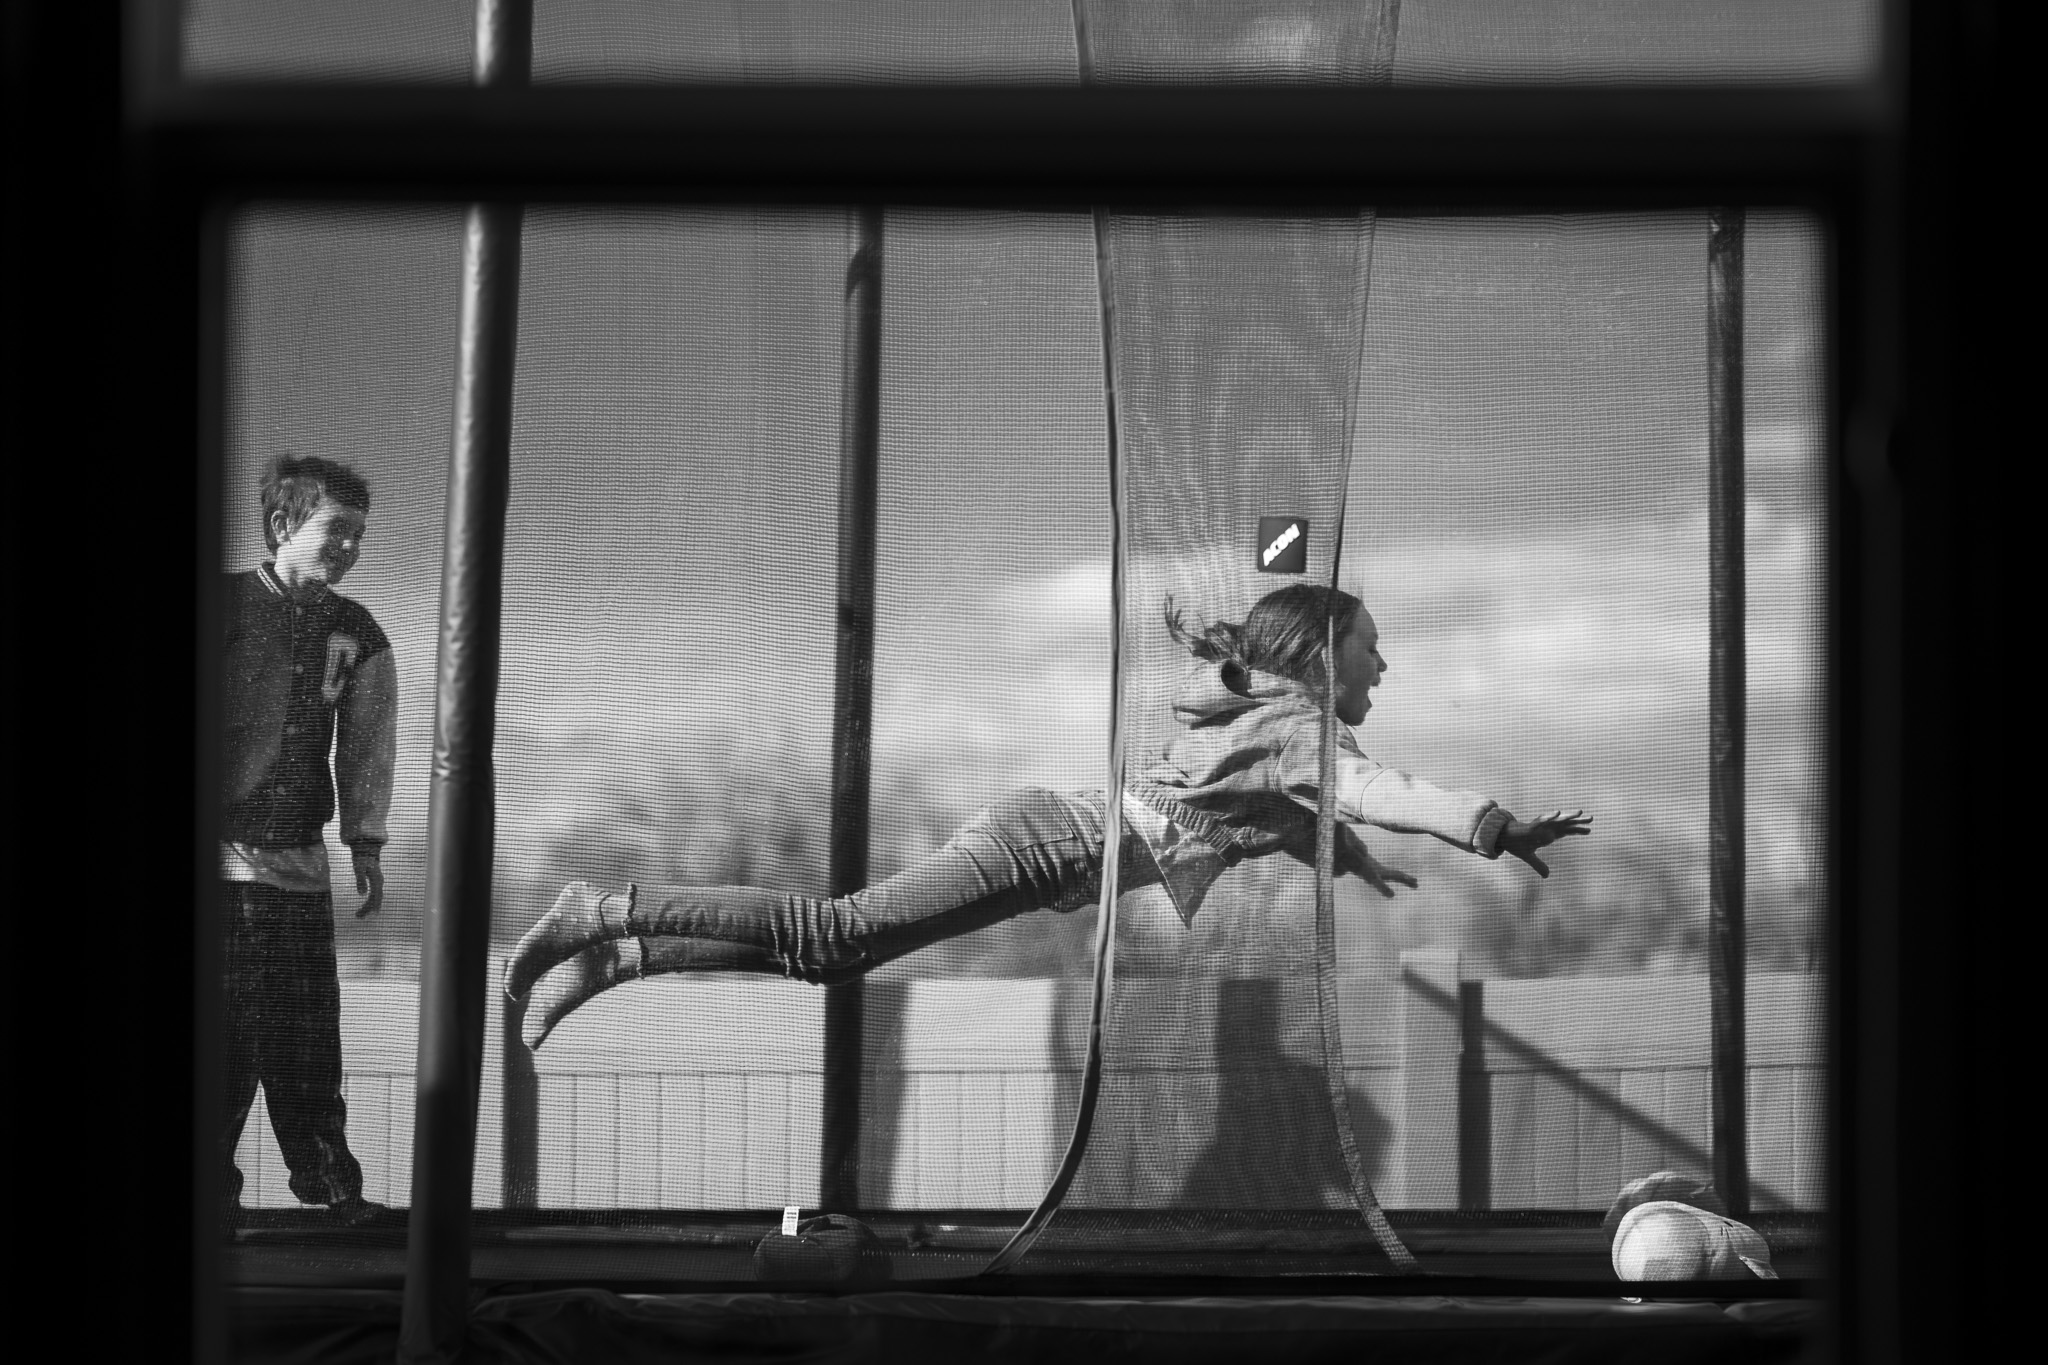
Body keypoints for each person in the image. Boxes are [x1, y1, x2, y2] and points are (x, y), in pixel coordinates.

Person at [506, 583, 1591, 1049]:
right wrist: (1492, 827)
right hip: (1046, 843)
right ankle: (602, 907)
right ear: (1321, 655)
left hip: (1047, 850)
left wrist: (1353, 861)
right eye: (1370, 648)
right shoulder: (1298, 727)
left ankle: (626, 957)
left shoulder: (1281, 731)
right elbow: (1375, 788)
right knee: (831, 931)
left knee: (830, 958)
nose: (1383, 665)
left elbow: (1314, 806)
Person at [219, 455, 396, 1229]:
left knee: (307, 1034)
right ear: (283, 524)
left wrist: (366, 842)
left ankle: (331, 1187)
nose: (350, 546)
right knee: (224, 1036)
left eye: (360, 534)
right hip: (222, 865)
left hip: (297, 867)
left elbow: (367, 744)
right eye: (337, 529)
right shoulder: (224, 606)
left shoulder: (355, 632)